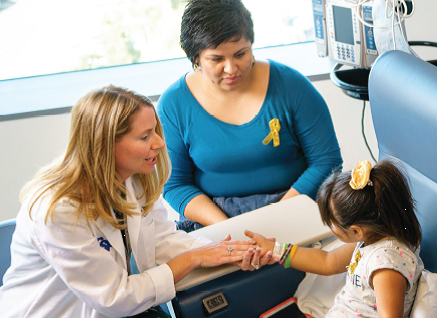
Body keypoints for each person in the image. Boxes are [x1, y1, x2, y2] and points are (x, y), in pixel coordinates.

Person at [0, 85, 273, 318]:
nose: (159, 143)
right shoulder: (58, 211)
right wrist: (195, 258)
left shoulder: (132, 177)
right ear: (105, 145)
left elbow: (160, 239)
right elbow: (114, 297)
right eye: (144, 137)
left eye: (155, 131)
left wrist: (223, 252)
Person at [157, 0, 343, 232]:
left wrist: (278, 218)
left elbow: (327, 161)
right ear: (195, 59)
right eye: (217, 59)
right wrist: (231, 229)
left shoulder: (291, 86)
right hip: (215, 217)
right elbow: (176, 185)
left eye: (240, 54)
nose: (231, 68)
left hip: (294, 204)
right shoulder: (175, 104)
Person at [245, 159, 424, 317]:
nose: (329, 228)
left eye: (332, 223)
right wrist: (274, 249)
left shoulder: (385, 266)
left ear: (356, 231)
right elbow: (328, 261)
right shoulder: (372, 240)